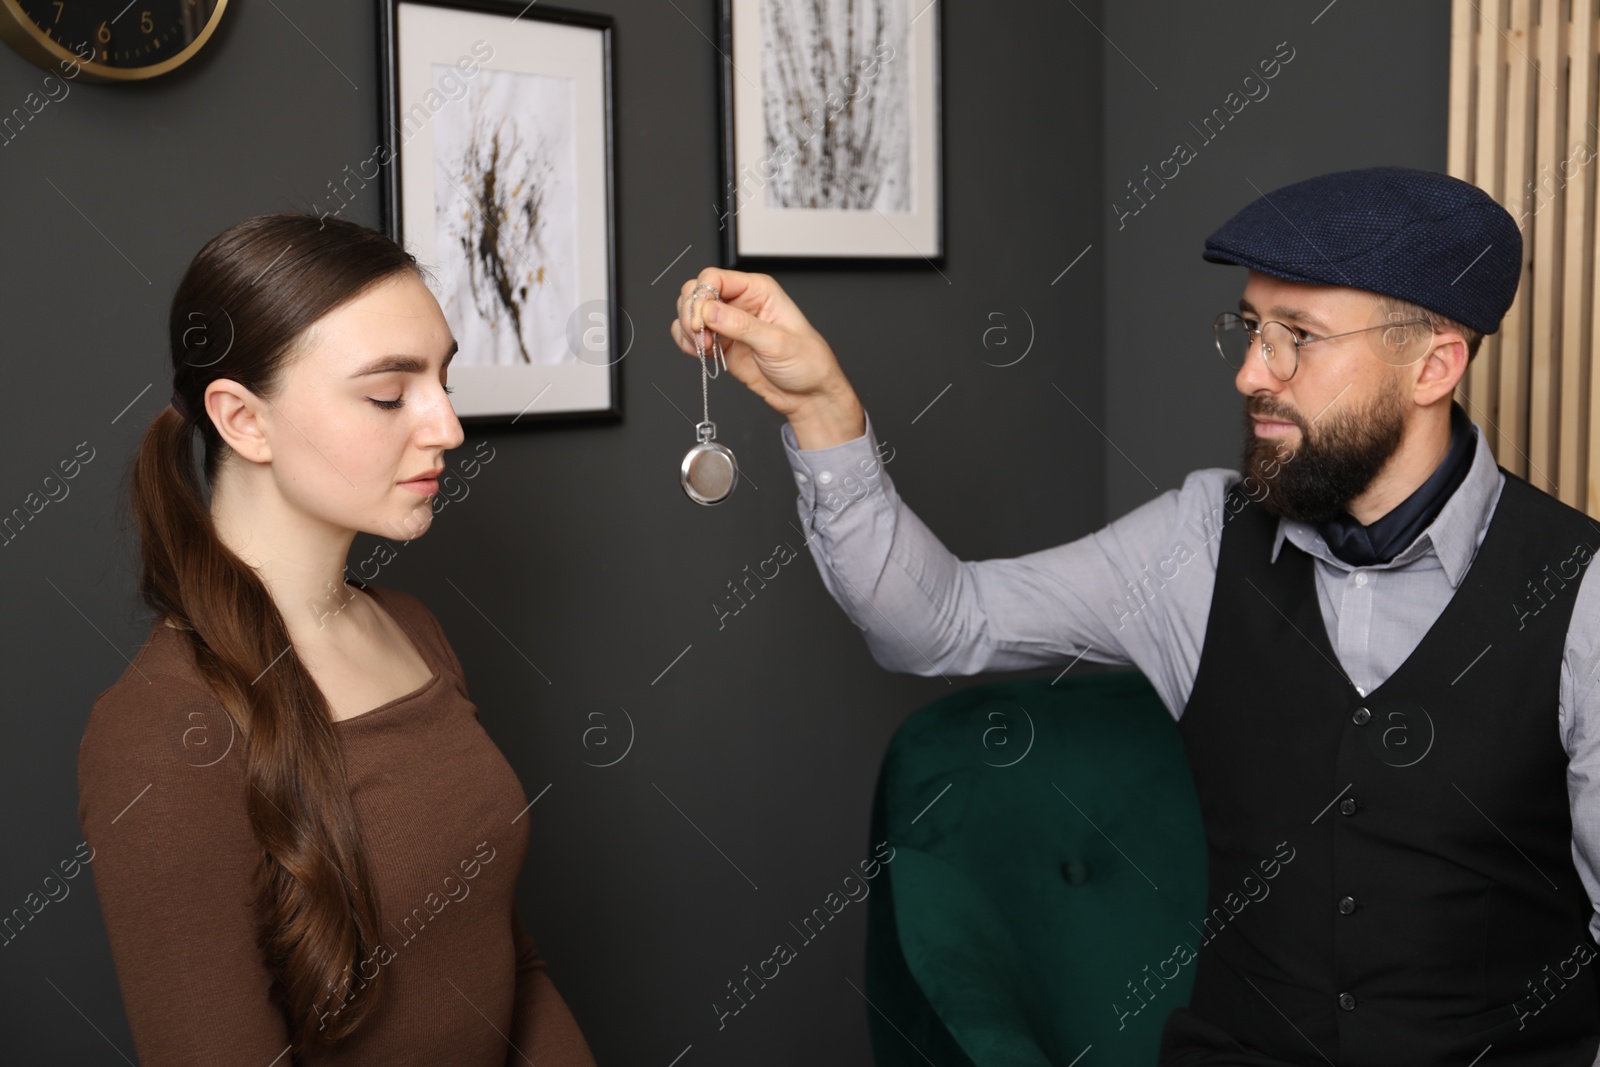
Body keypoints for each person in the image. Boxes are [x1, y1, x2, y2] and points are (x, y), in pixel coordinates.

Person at [669, 166, 1600, 1065]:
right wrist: (824, 410)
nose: (1250, 373)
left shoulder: (1583, 591)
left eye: (1297, 337)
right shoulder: (1198, 542)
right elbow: (937, 622)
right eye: (1247, 329)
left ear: (1434, 363)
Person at [77, 213, 596, 1065]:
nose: (447, 427)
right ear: (243, 420)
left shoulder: (413, 629)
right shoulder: (158, 739)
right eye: (389, 395)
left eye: (443, 380)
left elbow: (511, 962)